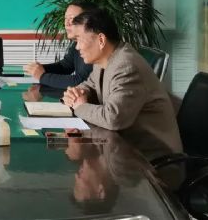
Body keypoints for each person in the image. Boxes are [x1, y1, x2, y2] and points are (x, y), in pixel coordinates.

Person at [62, 9, 182, 160]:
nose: (77, 47)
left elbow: (113, 118)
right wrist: (77, 93)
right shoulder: (105, 59)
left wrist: (79, 106)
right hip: (123, 150)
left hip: (152, 161)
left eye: (79, 39)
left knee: (77, 161)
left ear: (101, 40)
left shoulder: (126, 66)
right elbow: (90, 84)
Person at [23, 0, 96, 89]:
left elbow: (81, 82)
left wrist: (42, 76)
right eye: (66, 18)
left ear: (88, 20)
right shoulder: (77, 43)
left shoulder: (95, 45)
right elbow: (65, 66)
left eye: (72, 18)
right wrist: (40, 69)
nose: (67, 23)